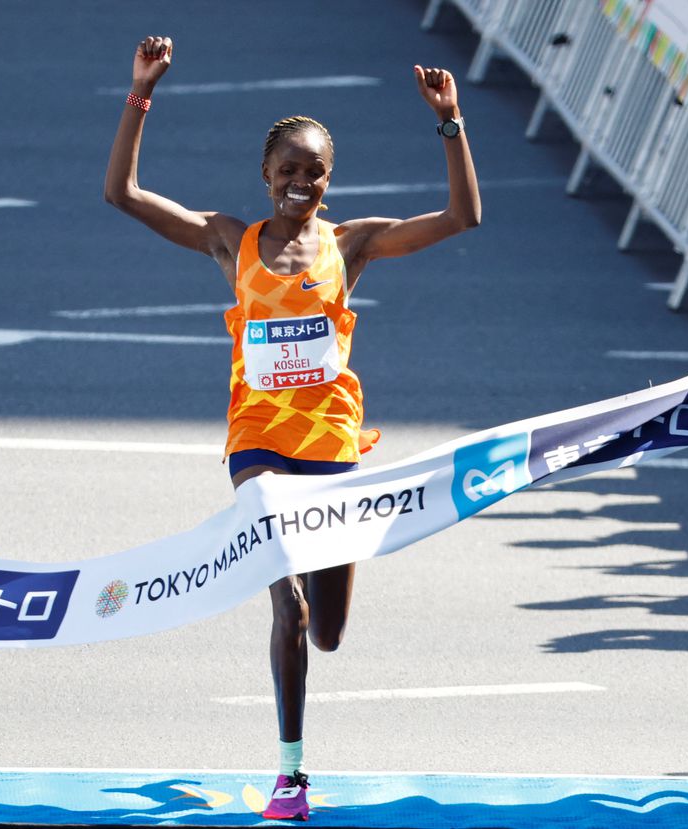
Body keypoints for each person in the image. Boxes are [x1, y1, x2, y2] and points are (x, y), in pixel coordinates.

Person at [104, 36, 480, 821]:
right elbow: (125, 193)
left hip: (334, 448)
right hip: (258, 447)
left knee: (331, 630)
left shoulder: (354, 244)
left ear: (328, 180)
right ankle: (290, 775)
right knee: (292, 611)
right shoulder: (228, 239)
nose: (299, 183)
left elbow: (462, 217)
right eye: (287, 170)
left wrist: (450, 123)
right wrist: (141, 93)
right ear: (265, 176)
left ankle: (308, 678)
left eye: (314, 172)